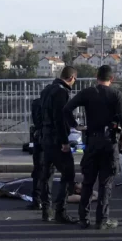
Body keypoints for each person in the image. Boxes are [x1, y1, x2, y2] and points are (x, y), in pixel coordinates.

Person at [63, 65, 122, 230]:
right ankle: (102, 220)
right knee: (105, 183)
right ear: (111, 79)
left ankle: (84, 219)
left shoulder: (88, 92)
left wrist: (75, 126)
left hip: (92, 142)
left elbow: (67, 109)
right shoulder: (116, 94)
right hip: (109, 143)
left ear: (96, 77)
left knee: (87, 182)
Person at [39, 66, 79, 224]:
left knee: (47, 174)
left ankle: (45, 210)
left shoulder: (47, 89)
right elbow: (59, 118)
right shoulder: (62, 92)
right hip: (56, 139)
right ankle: (60, 211)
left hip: (45, 136)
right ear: (72, 78)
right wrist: (64, 142)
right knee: (68, 173)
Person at [28, 96, 44, 211]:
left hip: (40, 138)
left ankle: (37, 200)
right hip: (53, 139)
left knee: (38, 169)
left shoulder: (37, 103)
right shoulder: (56, 100)